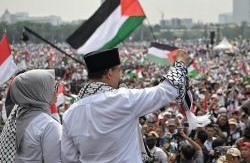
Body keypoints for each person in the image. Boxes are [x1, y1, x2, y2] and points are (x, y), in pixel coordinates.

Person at [61, 48, 189, 163]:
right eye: (119, 70)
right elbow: (167, 91)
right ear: (110, 73)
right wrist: (180, 63)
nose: (121, 75)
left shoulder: (69, 114)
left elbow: (69, 158)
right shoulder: (123, 99)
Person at [9, 69, 62, 162]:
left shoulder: (17, 116)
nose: (56, 91)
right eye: (53, 87)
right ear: (39, 92)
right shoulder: (49, 125)